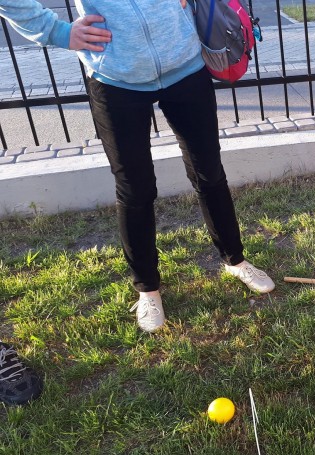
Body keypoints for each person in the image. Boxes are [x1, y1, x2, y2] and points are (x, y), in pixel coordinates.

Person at [1, 0, 275, 333]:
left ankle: (235, 259)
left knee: (209, 172)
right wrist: (57, 31)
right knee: (135, 188)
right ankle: (148, 288)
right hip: (114, 76)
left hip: (185, 64)